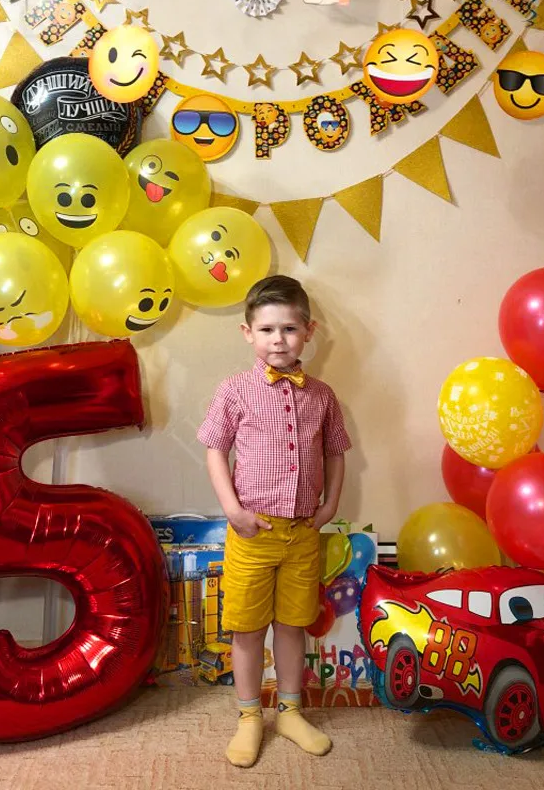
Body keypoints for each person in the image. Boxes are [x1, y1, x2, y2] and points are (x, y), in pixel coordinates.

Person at [198, 275, 351, 768]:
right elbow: (215, 450)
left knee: (292, 624)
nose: (278, 340)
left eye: (289, 329)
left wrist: (330, 505)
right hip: (253, 532)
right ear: (248, 333)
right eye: (266, 330)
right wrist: (233, 511)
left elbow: (335, 453)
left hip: (302, 532)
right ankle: (249, 717)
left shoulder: (322, 396)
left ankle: (289, 711)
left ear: (309, 331)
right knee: (247, 628)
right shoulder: (235, 391)